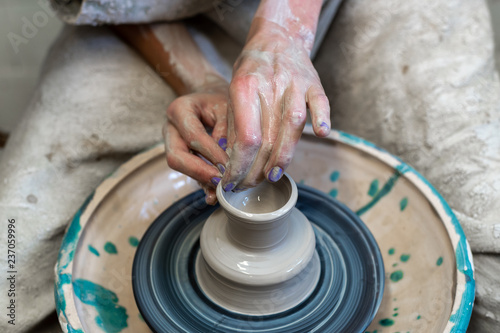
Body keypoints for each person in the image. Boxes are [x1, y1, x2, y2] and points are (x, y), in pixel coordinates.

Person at [0, 0, 498, 332]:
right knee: (11, 275)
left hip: (371, 12)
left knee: (488, 263)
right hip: (177, 20)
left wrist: (283, 28)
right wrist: (198, 78)